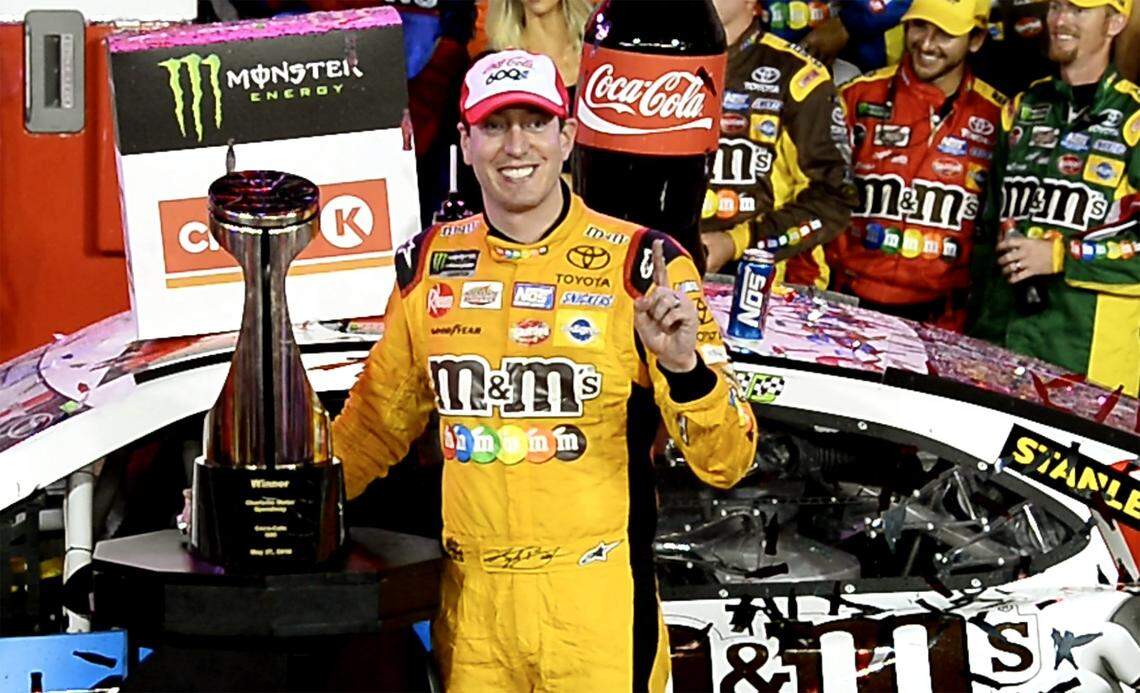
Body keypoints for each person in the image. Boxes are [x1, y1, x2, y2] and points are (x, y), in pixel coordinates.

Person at [331, 49, 758, 691]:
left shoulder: (645, 264)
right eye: (495, 126)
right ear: (466, 144)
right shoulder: (426, 268)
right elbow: (370, 432)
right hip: (473, 605)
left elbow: (727, 461)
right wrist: (270, 508)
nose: (516, 145)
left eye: (535, 122)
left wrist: (684, 367)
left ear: (567, 136)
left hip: (597, 603)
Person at [973, 0, 1139, 396]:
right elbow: (986, 232)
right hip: (1002, 346)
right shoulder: (1022, 108)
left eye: (1079, 10)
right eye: (1056, 7)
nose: (1060, 20)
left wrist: (1060, 256)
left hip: (1090, 361)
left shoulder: (1135, 119)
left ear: (1115, 21)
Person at [826, 0, 1004, 331]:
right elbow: (820, 199)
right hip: (848, 306)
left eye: (945, 34)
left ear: (976, 39)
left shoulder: (998, 116)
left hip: (944, 319)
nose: (926, 43)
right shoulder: (856, 96)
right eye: (919, 26)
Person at [702, 0, 858, 290]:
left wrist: (733, 243)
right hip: (663, 269)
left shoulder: (798, 76)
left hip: (771, 288)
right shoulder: (649, 61)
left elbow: (835, 201)